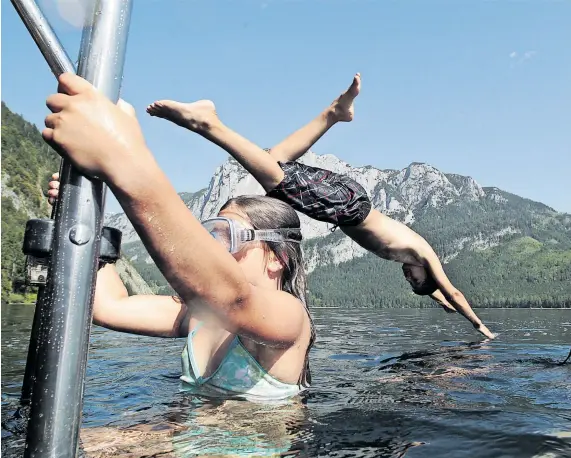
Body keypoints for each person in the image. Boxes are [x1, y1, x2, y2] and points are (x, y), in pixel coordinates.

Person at [145, 73, 496, 340]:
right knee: (275, 179)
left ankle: (334, 113)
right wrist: (480, 327)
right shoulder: (423, 252)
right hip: (348, 208)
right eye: (415, 278)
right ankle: (207, 123)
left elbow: (442, 297)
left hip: (345, 204)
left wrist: (441, 302)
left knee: (275, 160)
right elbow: (451, 291)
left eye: (410, 281)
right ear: (427, 274)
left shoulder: (409, 257)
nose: (408, 275)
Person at [43, 73, 314, 403]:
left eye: (229, 237)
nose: (214, 250)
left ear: (277, 258)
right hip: (184, 443)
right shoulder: (198, 315)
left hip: (249, 453)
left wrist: (123, 159)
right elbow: (109, 306)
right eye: (211, 236)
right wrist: (89, 226)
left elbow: (234, 301)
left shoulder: (291, 318)